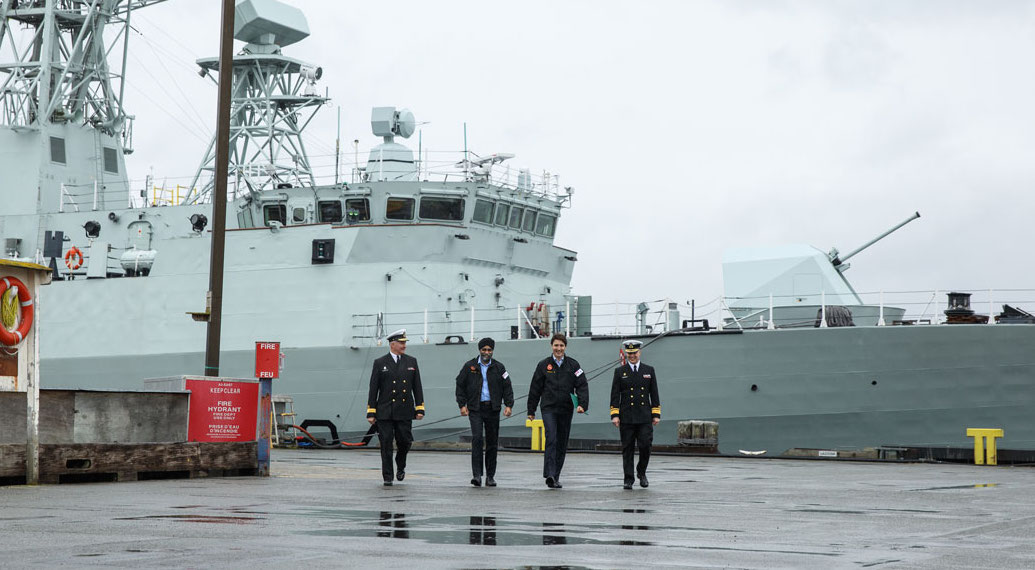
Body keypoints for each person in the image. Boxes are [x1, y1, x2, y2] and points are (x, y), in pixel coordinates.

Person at [527, 333, 589, 489]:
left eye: (561, 346)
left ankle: (555, 476)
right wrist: (531, 410)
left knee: (562, 443)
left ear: (565, 347)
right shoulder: (543, 365)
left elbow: (581, 385)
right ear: (551, 346)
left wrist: (582, 404)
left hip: (566, 409)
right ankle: (549, 474)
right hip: (549, 408)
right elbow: (535, 388)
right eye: (556, 345)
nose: (558, 348)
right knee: (551, 438)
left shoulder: (573, 365)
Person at [367, 329, 425, 486]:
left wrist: (419, 408)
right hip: (385, 411)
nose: (404, 345)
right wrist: (371, 411)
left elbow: (417, 386)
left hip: (404, 411)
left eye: (405, 343)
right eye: (401, 343)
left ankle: (400, 465)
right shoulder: (380, 363)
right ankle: (387, 476)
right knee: (385, 444)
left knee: (405, 442)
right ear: (393, 344)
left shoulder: (411, 362)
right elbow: (374, 388)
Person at [456, 337, 514, 487]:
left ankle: (490, 476)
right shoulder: (469, 367)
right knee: (477, 439)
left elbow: (507, 386)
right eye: (484, 350)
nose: (486, 352)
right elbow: (460, 385)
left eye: (489, 350)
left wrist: (509, 405)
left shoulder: (499, 368)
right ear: (479, 350)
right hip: (476, 408)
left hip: (493, 408)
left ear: (492, 351)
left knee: (492, 442)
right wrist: (462, 405)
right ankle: (477, 475)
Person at [610, 339, 660, 489]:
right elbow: (615, 395)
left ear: (640, 352)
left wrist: (656, 413)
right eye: (629, 353)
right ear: (626, 353)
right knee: (628, 448)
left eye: (635, 353)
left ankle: (641, 472)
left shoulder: (648, 370)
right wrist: (615, 414)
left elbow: (654, 393)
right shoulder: (620, 372)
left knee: (646, 446)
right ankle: (628, 478)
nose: (632, 356)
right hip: (627, 416)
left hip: (644, 416)